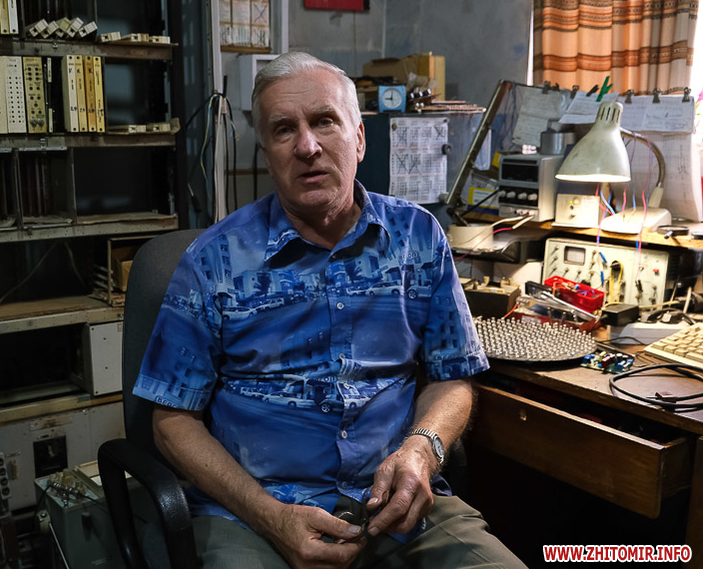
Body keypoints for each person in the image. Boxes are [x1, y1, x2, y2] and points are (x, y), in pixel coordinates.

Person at [133, 51, 526, 569]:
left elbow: (452, 378)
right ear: (267, 154)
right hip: (254, 515)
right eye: (283, 130)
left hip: (395, 506)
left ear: (359, 138)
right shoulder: (213, 261)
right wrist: (270, 517)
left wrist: (421, 450)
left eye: (324, 121)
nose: (307, 146)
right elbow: (171, 422)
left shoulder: (417, 237)